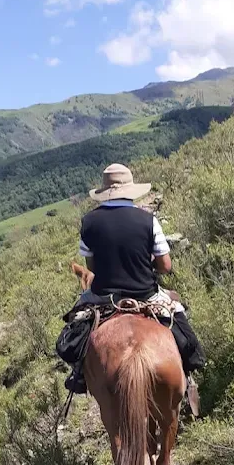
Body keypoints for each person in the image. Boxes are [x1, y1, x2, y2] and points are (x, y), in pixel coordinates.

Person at [64, 163, 205, 404]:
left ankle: (78, 375)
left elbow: (92, 268)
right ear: (130, 190)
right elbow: (166, 266)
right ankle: (191, 367)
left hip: (103, 296)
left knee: (73, 328)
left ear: (104, 192)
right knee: (180, 318)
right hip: (146, 293)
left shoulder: (89, 222)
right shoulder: (148, 220)